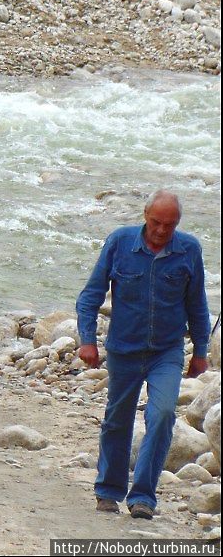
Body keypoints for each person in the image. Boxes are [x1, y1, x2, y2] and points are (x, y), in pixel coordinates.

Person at [76, 189, 210, 520]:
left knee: (163, 415)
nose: (162, 231)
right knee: (117, 420)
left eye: (170, 224)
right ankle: (107, 490)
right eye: (156, 222)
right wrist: (87, 340)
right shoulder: (120, 242)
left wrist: (201, 353)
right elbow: (91, 295)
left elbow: (197, 305)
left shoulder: (189, 249)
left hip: (167, 351)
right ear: (144, 215)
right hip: (124, 348)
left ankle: (144, 497)